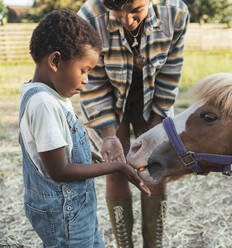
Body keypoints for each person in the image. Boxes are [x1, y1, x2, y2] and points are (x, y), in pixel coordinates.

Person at [19, 9, 150, 247]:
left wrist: (91, 156)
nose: (87, 80)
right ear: (55, 61)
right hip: (65, 214)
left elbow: (54, 147)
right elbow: (59, 171)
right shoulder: (44, 103)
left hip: (75, 210)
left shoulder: (50, 95)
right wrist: (117, 166)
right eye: (84, 70)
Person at [78, 0, 189, 247]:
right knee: (116, 168)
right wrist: (109, 136)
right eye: (117, 14)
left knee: (154, 167)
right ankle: (124, 244)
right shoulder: (88, 18)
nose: (127, 20)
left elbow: (171, 70)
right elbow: (92, 83)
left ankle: (154, 243)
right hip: (109, 98)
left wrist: (157, 125)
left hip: (153, 98)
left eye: (136, 11)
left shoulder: (176, 12)